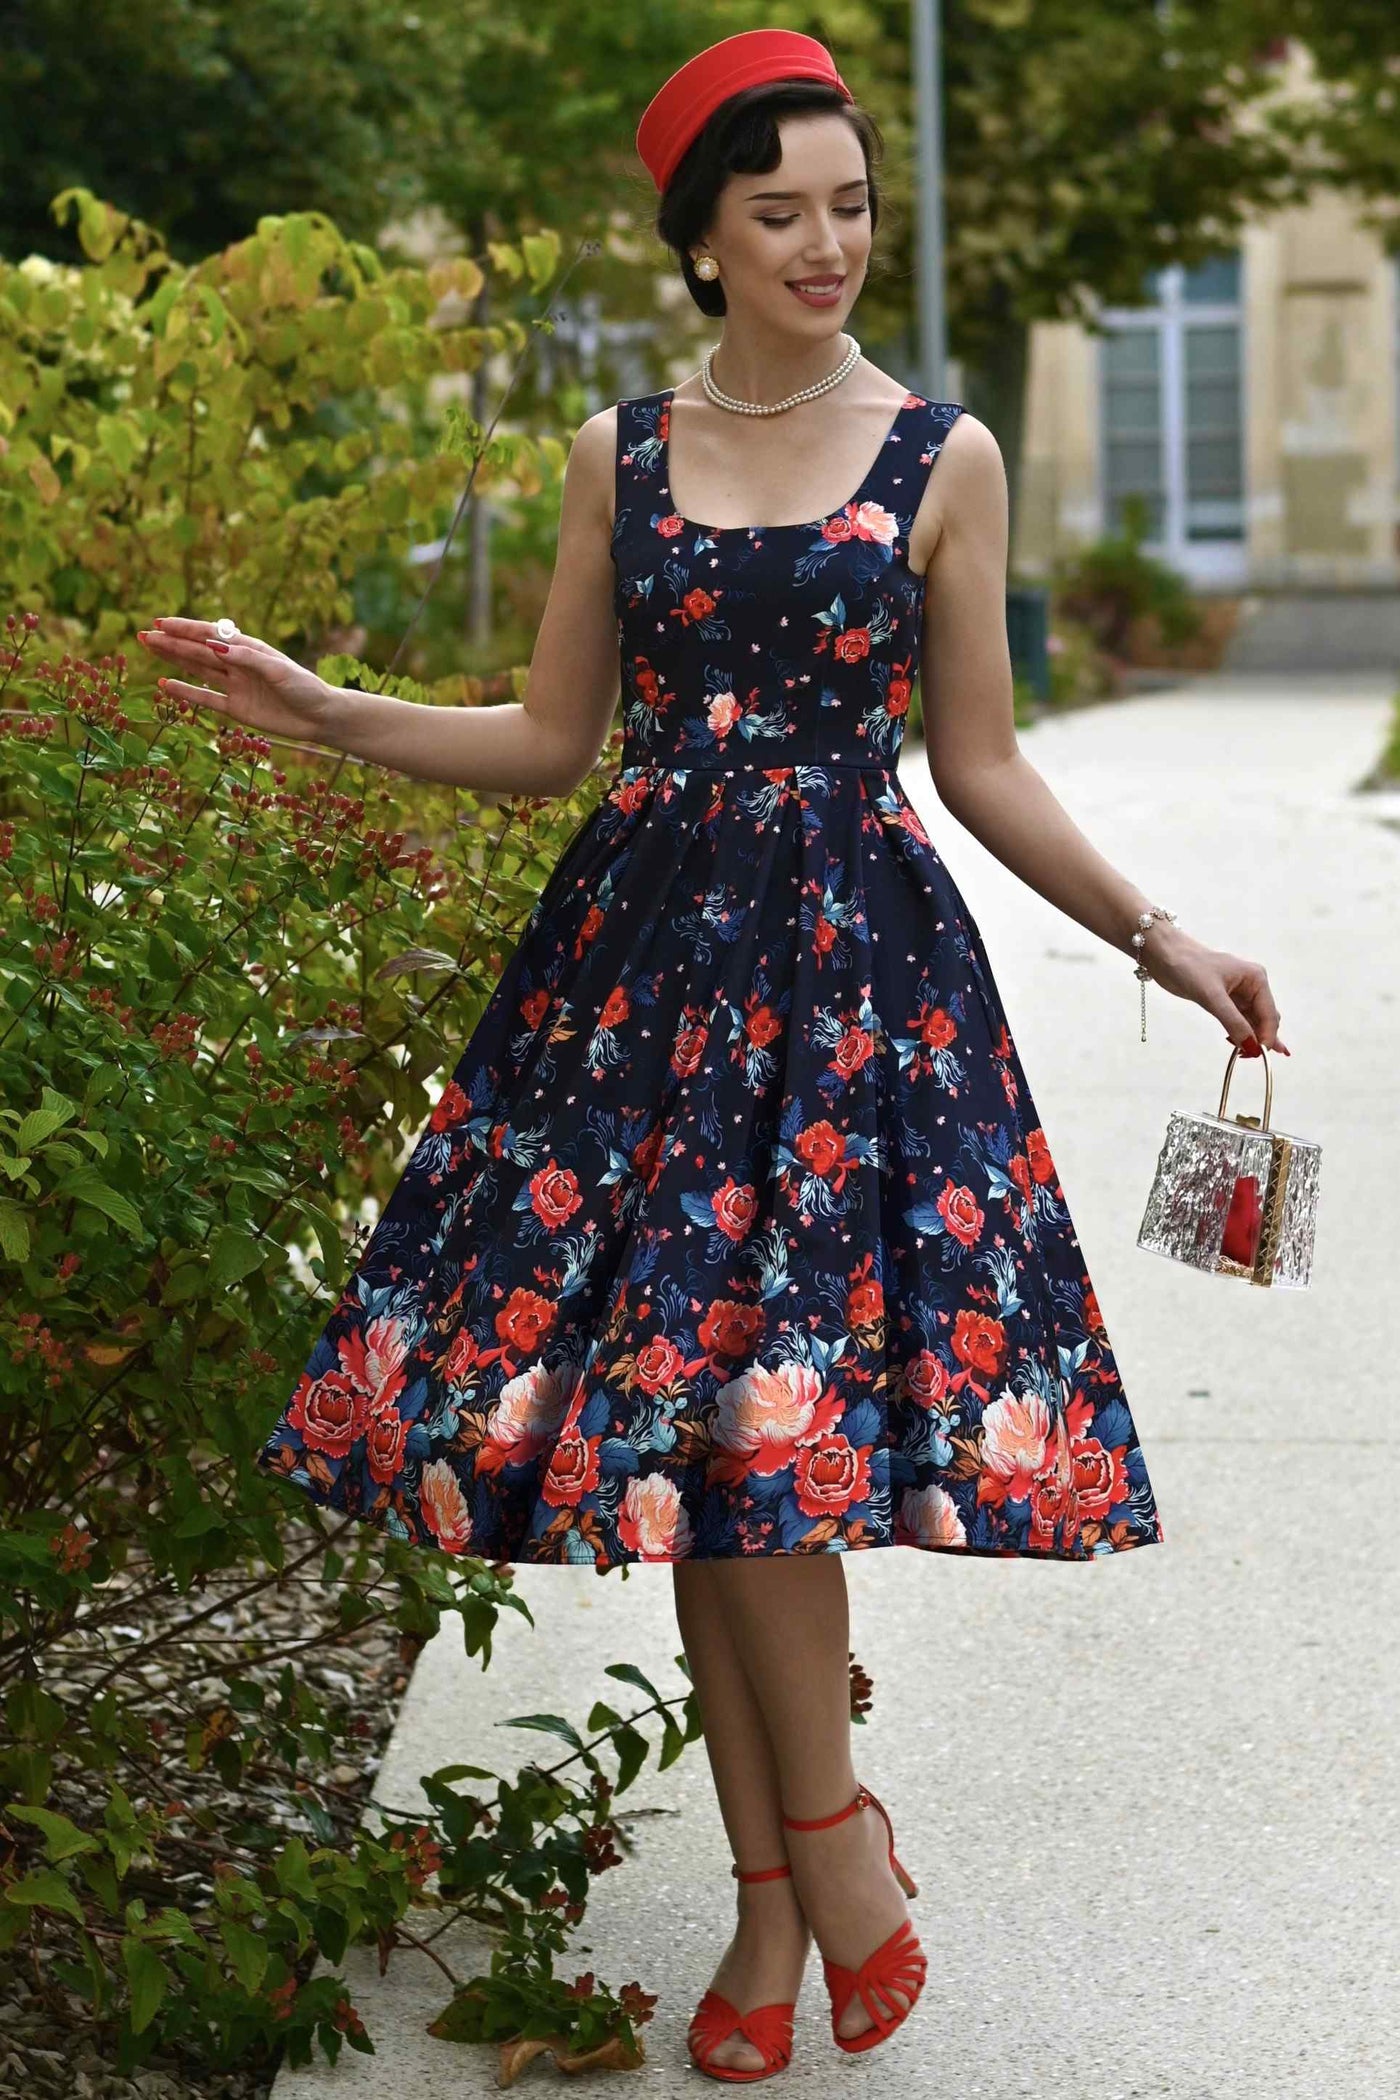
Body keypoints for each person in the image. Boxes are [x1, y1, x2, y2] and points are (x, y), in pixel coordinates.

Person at [137, 27, 1288, 2082]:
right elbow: (545, 741)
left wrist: (1163, 936)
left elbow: (985, 762)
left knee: (757, 1436)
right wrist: (326, 711)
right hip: (644, 990)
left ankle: (807, 1882)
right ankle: (801, 1892)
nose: (828, 243)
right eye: (782, 212)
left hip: (853, 998)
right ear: (700, 238)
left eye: (852, 206)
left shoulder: (942, 455)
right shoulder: (621, 453)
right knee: (690, 1436)